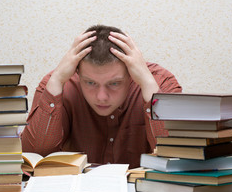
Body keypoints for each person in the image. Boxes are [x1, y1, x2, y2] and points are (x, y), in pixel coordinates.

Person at [21, 25, 182, 168]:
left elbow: (177, 158)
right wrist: (56, 81)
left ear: (131, 73)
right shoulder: (59, 83)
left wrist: (148, 85)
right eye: (90, 83)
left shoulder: (160, 82)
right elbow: (34, 157)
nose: (102, 97)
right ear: (78, 72)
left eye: (114, 83)